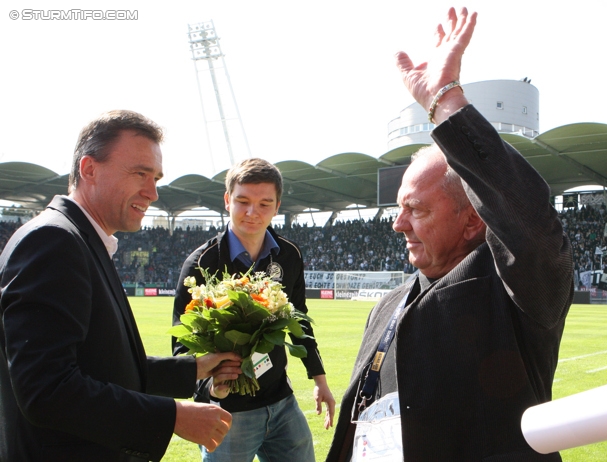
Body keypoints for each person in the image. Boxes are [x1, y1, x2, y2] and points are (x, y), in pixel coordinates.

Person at [326, 7, 574, 461]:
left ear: (472, 220)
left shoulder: (516, 293)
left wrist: (446, 103)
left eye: (416, 210)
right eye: (399, 209)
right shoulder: (387, 304)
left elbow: (531, 228)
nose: (399, 224)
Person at [0, 110, 239, 461]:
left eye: (156, 177)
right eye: (140, 173)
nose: (153, 192)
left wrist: (195, 367)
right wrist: (171, 416)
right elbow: (47, 389)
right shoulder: (54, 241)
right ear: (89, 169)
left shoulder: (82, 240)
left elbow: (105, 367)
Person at [173, 158, 335, 462]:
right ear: (227, 201)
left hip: (281, 402)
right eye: (243, 201)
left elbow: (299, 320)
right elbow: (181, 345)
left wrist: (320, 380)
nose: (252, 212)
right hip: (229, 413)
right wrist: (213, 387)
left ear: (277, 206)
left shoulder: (288, 255)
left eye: (264, 203)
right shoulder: (202, 263)